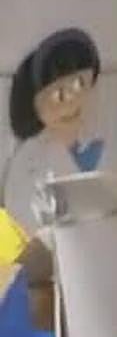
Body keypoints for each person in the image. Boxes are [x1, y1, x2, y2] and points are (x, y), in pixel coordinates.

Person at [3, 29, 105, 235]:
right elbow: (17, 227)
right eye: (60, 95)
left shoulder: (92, 148)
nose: (73, 100)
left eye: (81, 84)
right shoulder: (29, 158)